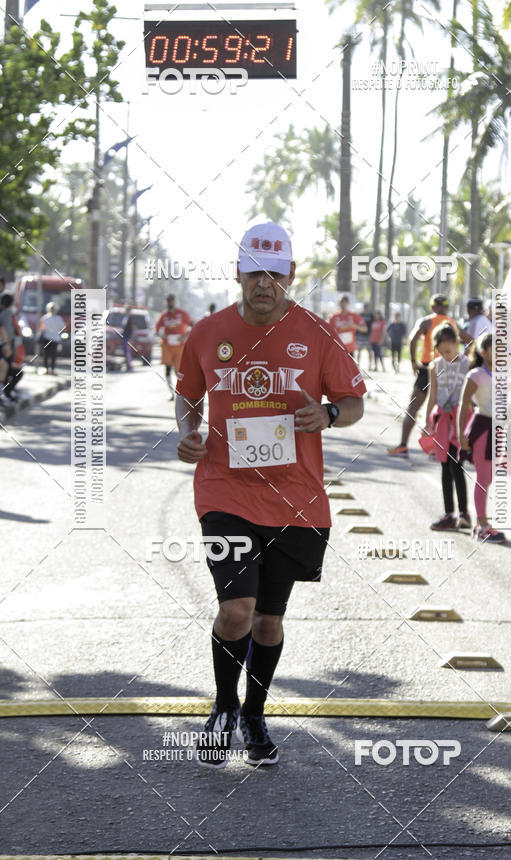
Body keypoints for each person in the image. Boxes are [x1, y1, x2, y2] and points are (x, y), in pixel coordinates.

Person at [175, 221, 365, 768]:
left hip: (295, 499)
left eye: (275, 274)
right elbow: (188, 396)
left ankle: (254, 714)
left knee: (268, 621)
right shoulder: (207, 333)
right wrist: (188, 432)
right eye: (255, 273)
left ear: (291, 276)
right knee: (236, 609)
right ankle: (222, 707)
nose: (264, 284)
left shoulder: (318, 333)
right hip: (224, 489)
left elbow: (353, 401)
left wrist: (328, 414)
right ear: (237, 273)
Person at [388, 294, 458, 457]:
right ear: (446, 307)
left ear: (432, 307)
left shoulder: (426, 321)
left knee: (413, 407)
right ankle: (437, 448)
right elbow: (468, 340)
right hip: (446, 369)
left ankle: (403, 446)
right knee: (441, 410)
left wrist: (413, 360)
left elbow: (413, 339)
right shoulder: (452, 324)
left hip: (427, 369)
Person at [458, 332, 505, 543]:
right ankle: (482, 526)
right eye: (495, 348)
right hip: (481, 427)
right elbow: (464, 404)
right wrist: (460, 434)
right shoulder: (476, 375)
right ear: (483, 351)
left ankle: (482, 523)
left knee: (489, 478)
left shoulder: (503, 374)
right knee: (483, 478)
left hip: (497, 429)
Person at [424, 324, 471, 530]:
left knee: (456, 464)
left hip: (460, 418)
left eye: (449, 351)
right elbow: (432, 395)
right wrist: (427, 420)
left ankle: (464, 513)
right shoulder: (435, 366)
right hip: (442, 419)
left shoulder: (467, 364)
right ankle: (449, 513)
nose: (446, 355)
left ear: (456, 343)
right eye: (442, 352)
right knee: (444, 465)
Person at [155, 294, 193, 398]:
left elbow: (193, 324)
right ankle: (171, 392)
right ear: (165, 302)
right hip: (167, 346)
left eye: (171, 301)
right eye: (168, 301)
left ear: (174, 301)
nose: (169, 303)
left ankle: (183, 391)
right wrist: (161, 334)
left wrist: (185, 336)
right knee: (167, 368)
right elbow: (157, 330)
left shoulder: (182, 314)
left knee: (179, 370)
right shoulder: (164, 316)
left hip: (180, 346)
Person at [39, 302, 64, 374]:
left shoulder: (44, 318)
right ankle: (52, 370)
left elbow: (41, 328)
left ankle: (46, 369)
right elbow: (62, 328)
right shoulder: (58, 318)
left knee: (46, 355)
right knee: (53, 355)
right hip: (55, 339)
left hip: (46, 338)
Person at [356, 301, 374, 368]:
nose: (366, 308)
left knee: (369, 351)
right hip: (360, 335)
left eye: (367, 307)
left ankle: (370, 365)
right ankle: (357, 364)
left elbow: (373, 325)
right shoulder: (361, 315)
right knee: (359, 351)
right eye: (365, 307)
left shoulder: (371, 315)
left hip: (368, 336)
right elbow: (357, 323)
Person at [122, 306, 134, 372]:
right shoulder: (125, 318)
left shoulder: (130, 318)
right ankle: (127, 364)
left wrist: (131, 338)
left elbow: (133, 328)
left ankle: (129, 365)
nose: (126, 311)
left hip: (128, 338)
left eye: (127, 310)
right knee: (125, 352)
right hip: (124, 337)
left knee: (128, 352)